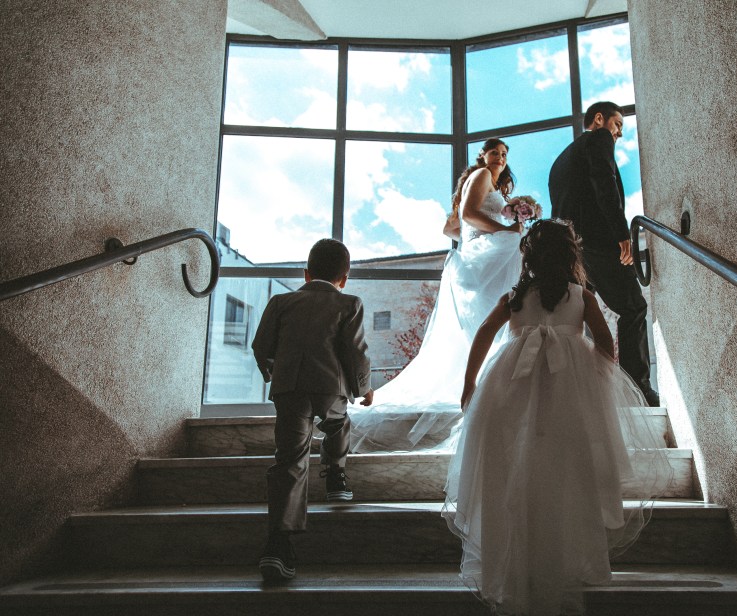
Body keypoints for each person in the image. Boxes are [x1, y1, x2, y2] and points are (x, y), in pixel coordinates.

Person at [442, 219, 673, 616]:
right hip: (569, 390)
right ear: (570, 256)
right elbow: (604, 342)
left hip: (512, 385)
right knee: (569, 470)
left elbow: (484, 333)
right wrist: (597, 379)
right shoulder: (582, 295)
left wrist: (470, 383)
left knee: (515, 465)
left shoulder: (515, 297)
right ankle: (569, 559)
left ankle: (515, 558)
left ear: (528, 258)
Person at [347, 138, 523, 453]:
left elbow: (450, 228)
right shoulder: (482, 175)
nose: (500, 157)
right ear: (483, 155)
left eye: (504, 154)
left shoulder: (483, 182)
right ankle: (492, 384)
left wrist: (477, 236)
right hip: (484, 259)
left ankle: (485, 382)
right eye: (494, 152)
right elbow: (469, 214)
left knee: (483, 324)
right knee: (496, 315)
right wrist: (503, 230)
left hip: (476, 256)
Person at [250, 238, 374, 582]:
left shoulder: (281, 301)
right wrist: (363, 388)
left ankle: (278, 546)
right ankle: (335, 475)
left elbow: (261, 345)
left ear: (306, 274)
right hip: (329, 387)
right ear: (344, 278)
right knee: (338, 424)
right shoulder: (349, 303)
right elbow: (355, 351)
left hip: (289, 387)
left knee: (289, 459)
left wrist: (273, 371)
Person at [548, 101, 660, 406]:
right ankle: (639, 391)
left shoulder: (560, 160)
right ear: (599, 119)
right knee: (634, 307)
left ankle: (582, 390)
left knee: (576, 317)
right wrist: (622, 235)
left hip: (570, 249)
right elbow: (604, 183)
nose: (619, 133)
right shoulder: (599, 139)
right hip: (598, 242)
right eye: (617, 125)